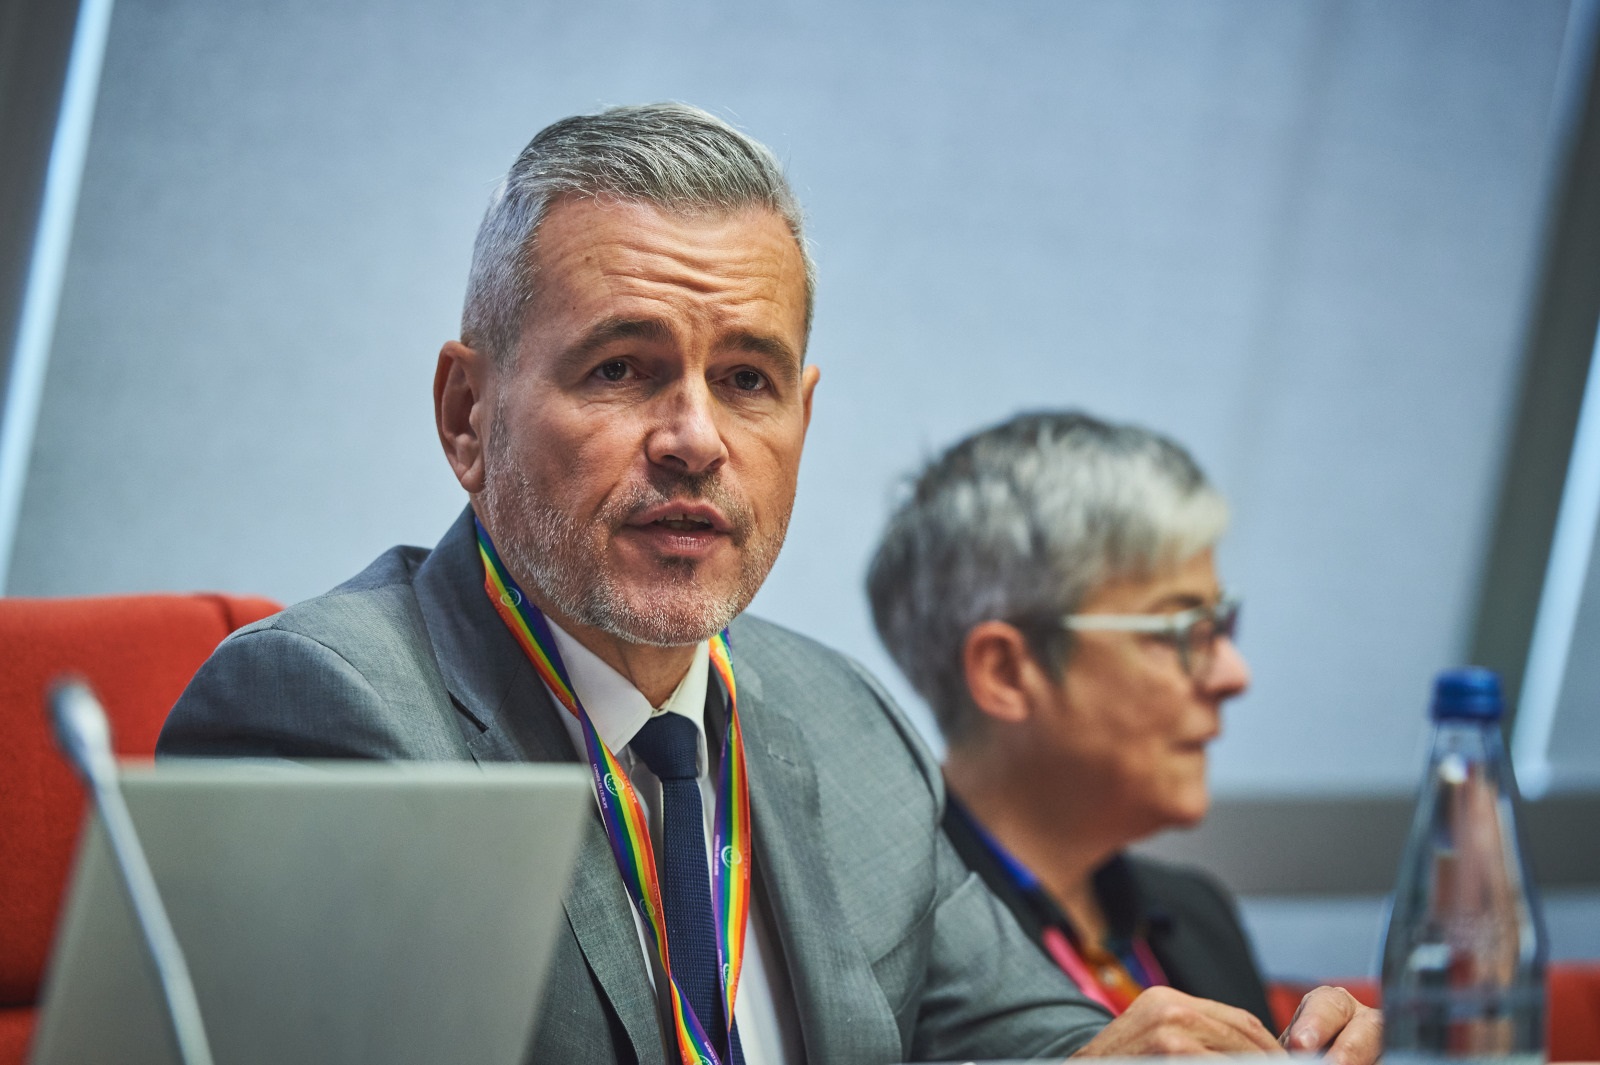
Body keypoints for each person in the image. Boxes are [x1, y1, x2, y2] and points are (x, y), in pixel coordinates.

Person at [158, 105, 1378, 1065]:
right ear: (467, 416)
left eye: (746, 380)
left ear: (803, 416)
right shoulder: (330, 712)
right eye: (624, 368)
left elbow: (1019, 1040)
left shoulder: (834, 720)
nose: (694, 438)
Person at [866, 410, 1278, 1028]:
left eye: (1220, 625)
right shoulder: (889, 955)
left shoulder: (1196, 914)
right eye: (1182, 631)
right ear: (1006, 671)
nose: (1232, 674)